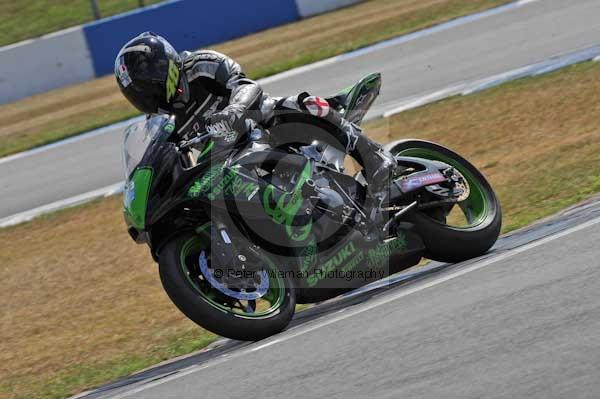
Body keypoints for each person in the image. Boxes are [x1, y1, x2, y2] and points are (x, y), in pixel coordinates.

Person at [114, 32, 396, 219]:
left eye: (148, 86)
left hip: (265, 122)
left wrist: (235, 109)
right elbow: (175, 160)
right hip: (232, 160)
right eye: (138, 93)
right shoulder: (163, 121)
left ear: (165, 67)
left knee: (301, 103)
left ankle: (374, 156)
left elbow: (246, 85)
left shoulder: (200, 65)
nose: (147, 97)